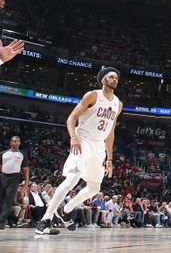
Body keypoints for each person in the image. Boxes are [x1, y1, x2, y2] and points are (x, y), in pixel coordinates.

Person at [35, 67, 122, 236]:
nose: (115, 80)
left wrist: (110, 158)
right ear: (103, 80)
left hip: (99, 145)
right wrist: (73, 137)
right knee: (73, 178)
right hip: (83, 139)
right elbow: (71, 118)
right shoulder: (93, 95)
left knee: (94, 188)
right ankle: (45, 219)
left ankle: (67, 210)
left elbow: (111, 132)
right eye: (111, 77)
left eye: (116, 78)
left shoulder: (118, 104)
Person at [0, 135, 29, 230]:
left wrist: (26, 183)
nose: (16, 143)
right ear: (10, 142)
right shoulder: (3, 153)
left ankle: (1, 223)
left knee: (8, 199)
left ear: (20, 143)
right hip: (3, 176)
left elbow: (25, 170)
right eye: (14, 141)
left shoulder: (22, 154)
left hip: (15, 178)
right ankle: (9, 219)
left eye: (18, 141)